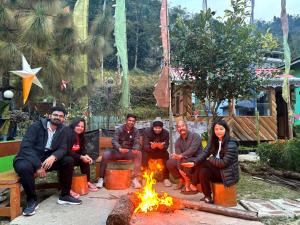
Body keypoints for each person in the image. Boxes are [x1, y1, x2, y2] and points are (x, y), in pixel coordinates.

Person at [14, 106, 81, 216]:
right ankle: (32, 200)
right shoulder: (36, 127)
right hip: (28, 157)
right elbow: (26, 147)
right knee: (24, 168)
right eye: (55, 115)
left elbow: (63, 148)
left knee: (68, 160)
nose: (58, 118)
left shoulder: (63, 130)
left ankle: (65, 195)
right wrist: (38, 165)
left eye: (61, 116)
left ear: (63, 119)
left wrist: (53, 157)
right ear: (49, 116)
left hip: (47, 158)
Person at [182, 119, 239, 204]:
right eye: (216, 129)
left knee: (205, 163)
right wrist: (194, 163)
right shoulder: (213, 141)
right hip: (216, 171)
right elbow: (205, 153)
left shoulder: (231, 144)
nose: (218, 131)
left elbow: (224, 163)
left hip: (227, 174)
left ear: (226, 130)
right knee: (203, 171)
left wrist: (211, 158)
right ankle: (207, 196)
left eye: (221, 129)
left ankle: (193, 182)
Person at [96, 114, 142, 189]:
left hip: (128, 152)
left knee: (139, 154)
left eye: (133, 121)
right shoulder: (119, 129)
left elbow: (137, 141)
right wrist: (119, 148)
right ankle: (101, 179)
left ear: (135, 122)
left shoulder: (135, 131)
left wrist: (135, 149)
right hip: (118, 152)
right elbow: (114, 140)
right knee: (105, 154)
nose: (131, 122)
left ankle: (135, 178)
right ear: (126, 121)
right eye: (130, 120)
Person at [166, 120, 203, 194]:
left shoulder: (195, 136)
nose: (181, 128)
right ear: (177, 129)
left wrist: (181, 156)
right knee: (169, 162)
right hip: (184, 159)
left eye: (183, 126)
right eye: (179, 127)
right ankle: (182, 180)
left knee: (184, 161)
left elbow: (192, 150)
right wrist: (179, 168)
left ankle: (190, 183)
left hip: (197, 158)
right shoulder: (178, 141)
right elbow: (178, 155)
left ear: (186, 126)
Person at [64, 118, 98, 195]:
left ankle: (87, 182)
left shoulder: (81, 136)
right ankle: (69, 186)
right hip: (66, 157)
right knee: (70, 160)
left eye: (82, 126)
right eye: (78, 126)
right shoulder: (68, 134)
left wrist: (86, 156)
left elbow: (82, 149)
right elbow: (66, 151)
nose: (80, 128)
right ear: (73, 125)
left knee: (85, 160)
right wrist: (81, 157)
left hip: (75, 156)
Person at [142, 117, 171, 187]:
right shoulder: (147, 131)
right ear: (153, 127)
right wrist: (152, 147)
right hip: (149, 151)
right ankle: (144, 177)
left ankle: (166, 178)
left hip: (160, 152)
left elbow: (166, 146)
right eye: (156, 128)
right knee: (144, 155)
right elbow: (145, 146)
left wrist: (162, 147)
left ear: (162, 128)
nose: (157, 129)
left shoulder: (166, 133)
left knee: (166, 155)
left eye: (159, 128)